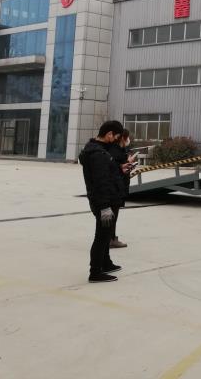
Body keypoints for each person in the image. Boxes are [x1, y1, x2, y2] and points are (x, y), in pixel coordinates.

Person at [78, 120, 126, 283]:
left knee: (105, 235)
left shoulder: (100, 151)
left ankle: (106, 263)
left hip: (107, 200)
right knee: (101, 236)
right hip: (104, 202)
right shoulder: (97, 154)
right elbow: (100, 183)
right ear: (109, 134)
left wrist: (119, 169)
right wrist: (105, 207)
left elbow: (106, 173)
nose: (116, 140)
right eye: (116, 137)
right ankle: (95, 272)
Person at [105, 129, 135, 248]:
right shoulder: (115, 151)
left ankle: (111, 238)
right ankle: (110, 239)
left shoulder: (120, 150)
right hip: (115, 187)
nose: (128, 140)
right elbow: (114, 168)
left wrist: (128, 165)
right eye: (127, 137)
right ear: (122, 138)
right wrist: (126, 163)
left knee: (113, 214)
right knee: (112, 215)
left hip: (119, 185)